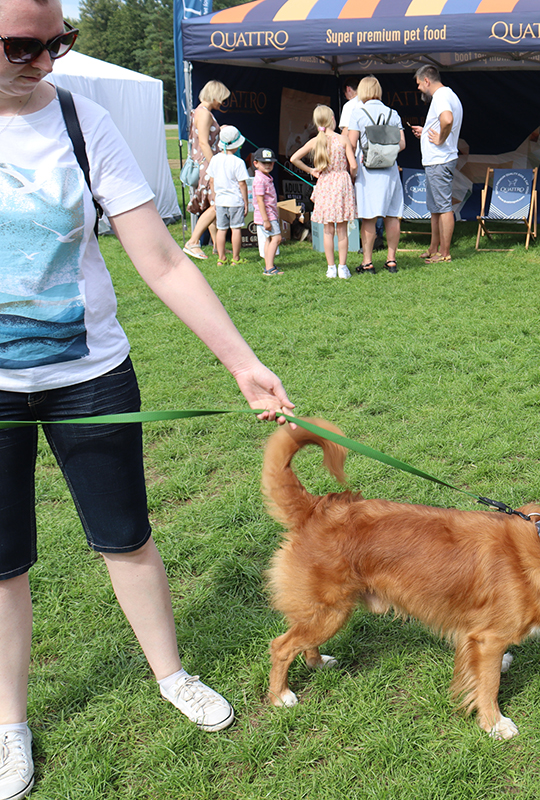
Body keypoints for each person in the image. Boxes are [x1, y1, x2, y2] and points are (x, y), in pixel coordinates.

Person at [0, 1, 294, 796]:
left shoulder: (81, 122)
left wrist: (242, 363)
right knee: (2, 563)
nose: (48, 60)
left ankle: (170, 675)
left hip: (88, 376)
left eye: (61, 41)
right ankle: (9, 724)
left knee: (125, 535)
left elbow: (162, 259)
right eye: (24, 45)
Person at [343, 75, 404, 274]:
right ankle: (391, 260)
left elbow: (351, 144)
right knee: (392, 215)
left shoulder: (358, 113)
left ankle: (367, 262)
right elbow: (402, 144)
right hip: (390, 170)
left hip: (366, 171)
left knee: (368, 217)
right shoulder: (393, 113)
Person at [291, 104, 357, 279]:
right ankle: (343, 267)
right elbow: (354, 165)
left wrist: (311, 170)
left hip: (325, 183)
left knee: (328, 229)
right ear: (332, 120)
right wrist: (351, 176)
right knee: (342, 229)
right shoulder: (343, 140)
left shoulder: (316, 141)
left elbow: (294, 158)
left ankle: (331, 267)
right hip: (341, 183)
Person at [411, 65, 462, 264]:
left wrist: (440, 138)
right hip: (436, 161)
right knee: (435, 208)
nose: (419, 89)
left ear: (426, 81)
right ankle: (434, 248)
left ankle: (445, 253)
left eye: (419, 84)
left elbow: (447, 119)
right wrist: (427, 131)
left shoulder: (440, 96)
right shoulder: (449, 95)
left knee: (443, 207)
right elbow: (444, 121)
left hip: (440, 160)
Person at [181, 79, 229, 259]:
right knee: (217, 205)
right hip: (206, 165)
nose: (222, 103)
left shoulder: (198, 111)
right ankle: (193, 242)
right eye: (222, 99)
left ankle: (217, 245)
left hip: (202, 164)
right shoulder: (205, 114)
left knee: (210, 204)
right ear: (215, 95)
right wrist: (215, 167)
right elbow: (203, 142)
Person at [208, 124, 250, 266]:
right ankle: (236, 259)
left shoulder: (214, 159)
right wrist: (246, 202)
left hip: (220, 201)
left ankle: (221, 258)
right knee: (236, 229)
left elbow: (211, 181)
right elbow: (242, 184)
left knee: (221, 230)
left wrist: (214, 199)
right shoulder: (238, 162)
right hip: (235, 201)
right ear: (237, 145)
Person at [251, 147, 283, 276]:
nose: (267, 165)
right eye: (264, 163)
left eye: (270, 163)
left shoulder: (265, 177)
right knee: (277, 238)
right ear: (256, 164)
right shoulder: (260, 180)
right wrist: (266, 220)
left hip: (269, 215)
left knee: (269, 240)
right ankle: (269, 268)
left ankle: (268, 265)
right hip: (267, 216)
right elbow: (260, 201)